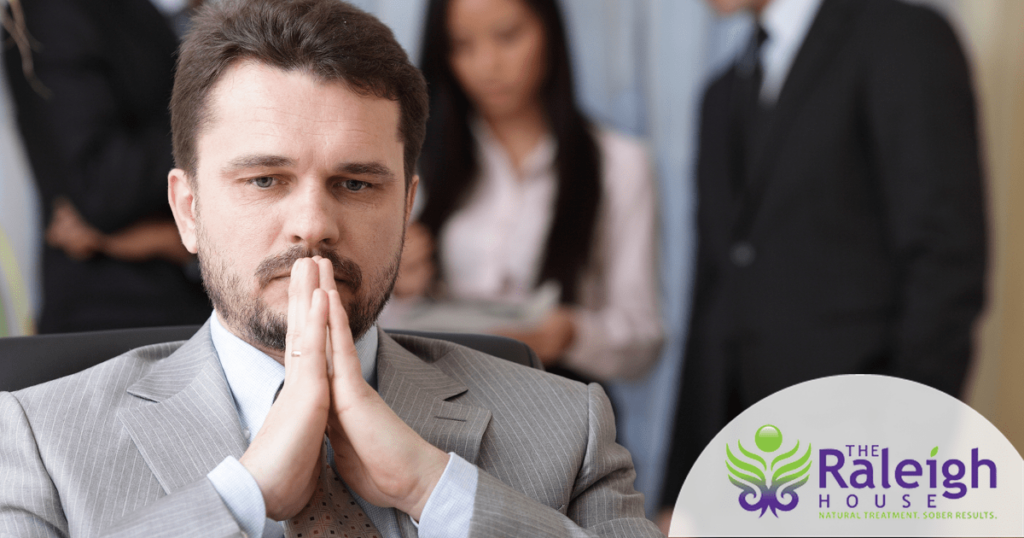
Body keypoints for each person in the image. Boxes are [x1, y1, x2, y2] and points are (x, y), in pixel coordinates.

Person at [0, 1, 662, 536]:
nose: (312, 222)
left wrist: (435, 489)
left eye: (355, 184)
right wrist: (242, 497)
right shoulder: (37, 441)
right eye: (265, 180)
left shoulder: (569, 427)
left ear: (406, 207)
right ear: (189, 209)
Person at [657, 0, 986, 526]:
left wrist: (899, 461)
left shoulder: (901, 38)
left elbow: (946, 264)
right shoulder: (720, 94)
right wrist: (679, 487)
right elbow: (712, 302)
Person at [392, 0, 663, 382]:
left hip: (562, 410)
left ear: (549, 31)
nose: (488, 65)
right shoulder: (413, 163)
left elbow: (643, 343)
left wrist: (571, 334)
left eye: (507, 36)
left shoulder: (618, 164)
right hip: (435, 401)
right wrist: (399, 286)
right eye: (462, 46)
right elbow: (371, 331)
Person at [2, 0, 211, 333]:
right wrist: (226, 120)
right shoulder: (54, 11)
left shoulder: (185, 14)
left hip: (196, 297)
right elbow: (99, 184)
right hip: (121, 317)